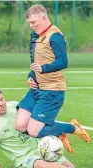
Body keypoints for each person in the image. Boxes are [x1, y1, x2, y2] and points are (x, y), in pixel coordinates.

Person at [15, 4, 90, 153]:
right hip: (36, 89)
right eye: (29, 23)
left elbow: (63, 62)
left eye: (33, 22)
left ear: (43, 17)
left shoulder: (55, 36)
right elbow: (34, 61)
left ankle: (72, 128)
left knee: (34, 131)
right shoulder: (34, 36)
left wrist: (43, 69)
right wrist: (32, 76)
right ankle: (56, 131)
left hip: (52, 91)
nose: (31, 26)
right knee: (20, 125)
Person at [0, 88, 75, 168]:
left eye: (1, 99)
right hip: (25, 158)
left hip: (42, 148)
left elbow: (36, 121)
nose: (1, 104)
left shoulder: (13, 106)